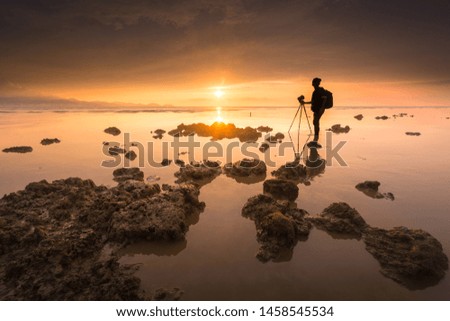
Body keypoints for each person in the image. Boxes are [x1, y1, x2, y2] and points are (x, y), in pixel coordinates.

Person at [298, 77, 327, 147]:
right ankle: (316, 136)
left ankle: (316, 137)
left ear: (315, 83)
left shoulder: (319, 91)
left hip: (319, 109)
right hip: (317, 109)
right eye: (313, 83)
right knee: (315, 122)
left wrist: (322, 108)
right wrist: (305, 103)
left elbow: (325, 98)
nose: (313, 84)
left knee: (316, 122)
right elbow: (313, 102)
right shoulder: (315, 91)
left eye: (314, 82)